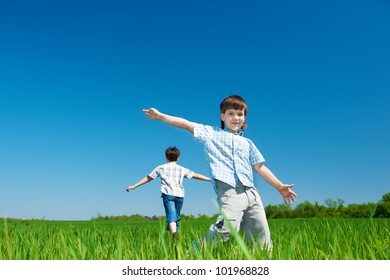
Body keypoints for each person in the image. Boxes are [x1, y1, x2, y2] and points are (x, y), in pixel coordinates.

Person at [142, 95, 297, 250]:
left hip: (252, 193)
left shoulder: (248, 143)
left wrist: (279, 186)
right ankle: (193, 254)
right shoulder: (211, 133)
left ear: (244, 118)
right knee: (225, 229)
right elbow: (186, 124)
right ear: (222, 116)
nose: (236, 118)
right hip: (230, 190)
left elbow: (259, 167)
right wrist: (161, 116)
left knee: (261, 235)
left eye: (240, 114)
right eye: (231, 113)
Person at [126, 146, 210, 239]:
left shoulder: (161, 168)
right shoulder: (182, 169)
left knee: (172, 215)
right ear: (178, 158)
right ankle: (175, 237)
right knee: (175, 217)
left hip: (168, 195)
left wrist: (134, 186)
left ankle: (174, 234)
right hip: (180, 196)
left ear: (166, 157)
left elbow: (148, 178)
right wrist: (210, 179)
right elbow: (196, 175)